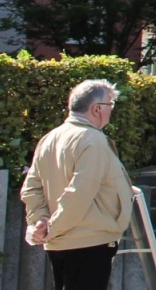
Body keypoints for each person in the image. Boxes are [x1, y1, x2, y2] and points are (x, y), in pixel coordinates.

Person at [20, 79, 134, 290]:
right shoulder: (92, 139)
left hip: (61, 242)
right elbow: (79, 193)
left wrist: (40, 222)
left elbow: (31, 188)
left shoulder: (50, 138)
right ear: (97, 109)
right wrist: (52, 228)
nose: (111, 111)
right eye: (111, 105)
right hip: (88, 240)